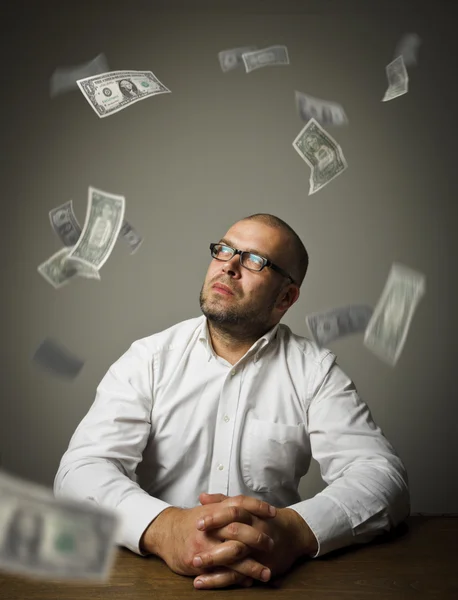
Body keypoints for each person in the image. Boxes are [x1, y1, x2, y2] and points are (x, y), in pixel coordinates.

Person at [54, 213, 410, 590]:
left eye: (255, 260)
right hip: (150, 580)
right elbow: (80, 471)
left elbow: (383, 478)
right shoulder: (148, 359)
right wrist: (166, 528)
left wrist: (293, 532)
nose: (230, 267)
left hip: (272, 582)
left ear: (286, 297)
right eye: (224, 250)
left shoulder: (315, 372)